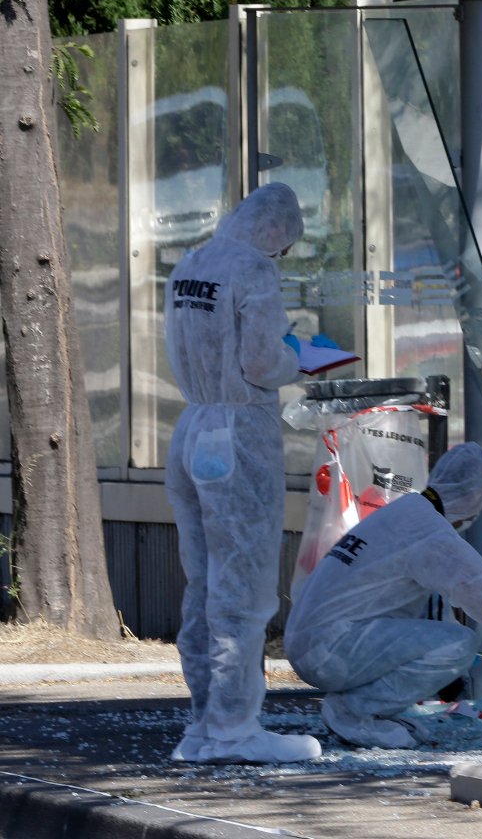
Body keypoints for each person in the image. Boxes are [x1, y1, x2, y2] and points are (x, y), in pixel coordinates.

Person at [164, 182, 322, 765]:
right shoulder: (253, 269)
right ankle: (234, 729)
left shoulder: (191, 263)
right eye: (285, 247)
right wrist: (297, 357)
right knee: (244, 590)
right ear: (274, 232)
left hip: (192, 427)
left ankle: (203, 724)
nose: (282, 256)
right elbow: (260, 362)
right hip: (238, 436)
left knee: (203, 584)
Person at [284, 441, 482, 749]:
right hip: (329, 650)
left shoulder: (404, 514)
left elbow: (434, 601)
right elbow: (477, 583)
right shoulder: (427, 530)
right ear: (475, 497)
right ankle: (354, 711)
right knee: (461, 644)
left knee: (451, 642)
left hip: (316, 641)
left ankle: (361, 708)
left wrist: (452, 664)